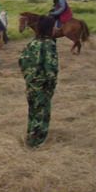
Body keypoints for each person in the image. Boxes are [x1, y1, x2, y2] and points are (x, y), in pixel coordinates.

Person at [18, 15, 59, 148]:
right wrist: (51, 84)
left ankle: (30, 136)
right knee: (42, 114)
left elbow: (22, 61)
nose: (56, 29)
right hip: (43, 86)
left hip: (31, 85)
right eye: (54, 26)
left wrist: (29, 78)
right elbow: (50, 68)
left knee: (33, 112)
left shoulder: (33, 43)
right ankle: (37, 142)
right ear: (49, 29)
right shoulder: (50, 45)